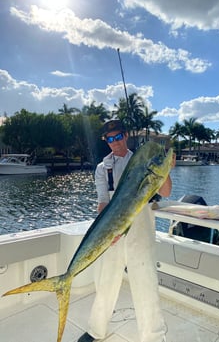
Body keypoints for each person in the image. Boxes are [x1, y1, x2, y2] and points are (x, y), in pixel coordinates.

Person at [78, 119, 175, 342]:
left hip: (141, 234)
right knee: (105, 282)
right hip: (113, 232)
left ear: (125, 136)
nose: (115, 142)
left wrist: (167, 168)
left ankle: (153, 337)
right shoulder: (103, 169)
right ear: (106, 141)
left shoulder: (145, 162)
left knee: (146, 285)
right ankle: (96, 330)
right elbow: (103, 203)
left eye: (118, 137)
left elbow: (167, 192)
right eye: (109, 139)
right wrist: (106, 231)